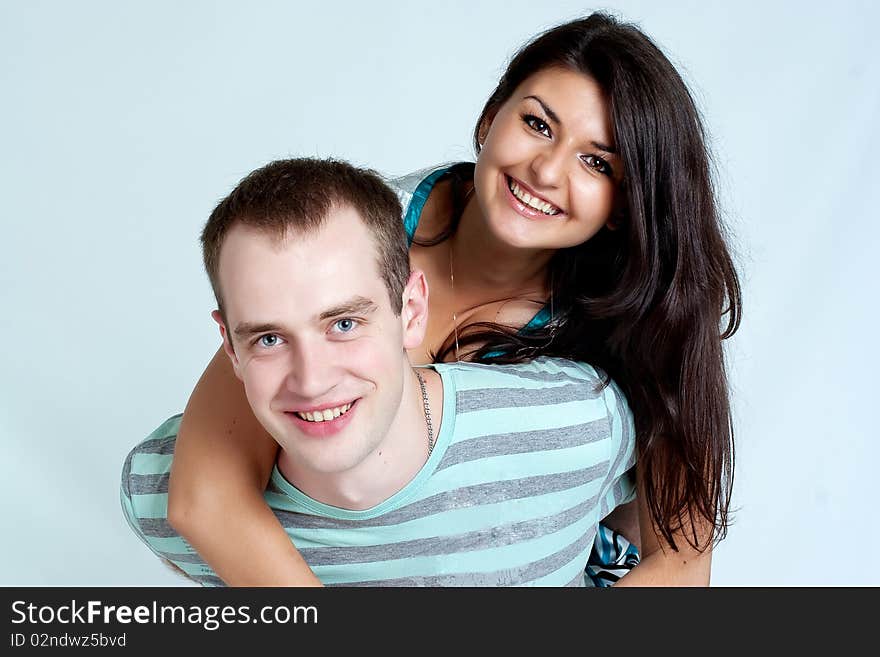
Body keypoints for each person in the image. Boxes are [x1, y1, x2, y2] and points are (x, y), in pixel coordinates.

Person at [167, 12, 741, 586]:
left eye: (597, 162)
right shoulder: (350, 241)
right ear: (490, 118)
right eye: (538, 124)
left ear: (624, 202)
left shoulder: (647, 314)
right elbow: (205, 496)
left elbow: (681, 565)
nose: (546, 170)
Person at [121, 158, 637, 586]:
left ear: (413, 311)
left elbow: (674, 547)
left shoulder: (577, 423)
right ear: (229, 348)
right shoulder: (157, 495)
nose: (311, 379)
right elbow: (196, 502)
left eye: (343, 323)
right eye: (270, 338)